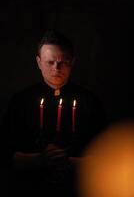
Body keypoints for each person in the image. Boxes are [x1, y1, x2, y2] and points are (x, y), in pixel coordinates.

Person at [1, 30, 107, 197]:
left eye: (63, 62)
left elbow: (106, 157)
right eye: (50, 62)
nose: (56, 68)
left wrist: (69, 161)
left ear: (72, 62)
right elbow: (5, 155)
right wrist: (40, 160)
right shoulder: (20, 101)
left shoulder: (90, 102)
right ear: (38, 62)